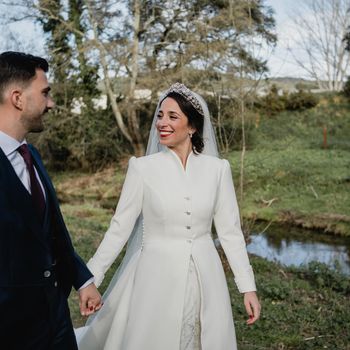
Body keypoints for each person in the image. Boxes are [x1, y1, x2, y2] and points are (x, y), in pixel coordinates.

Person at [77, 82, 261, 350]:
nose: (162, 122)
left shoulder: (218, 169)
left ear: (193, 127)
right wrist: (90, 279)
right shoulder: (142, 168)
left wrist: (248, 287)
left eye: (173, 116)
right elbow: (119, 228)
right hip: (154, 278)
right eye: (160, 115)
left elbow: (230, 232)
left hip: (206, 277)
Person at [0, 51, 102, 350]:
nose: (51, 103)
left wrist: (82, 280)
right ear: (17, 98)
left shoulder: (33, 157)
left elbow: (53, 231)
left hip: (56, 321)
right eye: (45, 93)